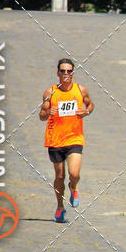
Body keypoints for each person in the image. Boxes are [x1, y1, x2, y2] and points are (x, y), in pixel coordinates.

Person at [39, 59, 94, 223]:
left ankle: (74, 186)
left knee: (74, 174)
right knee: (60, 176)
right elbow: (41, 115)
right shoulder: (50, 93)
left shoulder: (80, 90)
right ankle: (60, 207)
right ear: (57, 73)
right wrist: (49, 112)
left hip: (75, 138)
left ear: (73, 73)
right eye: (62, 71)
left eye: (69, 71)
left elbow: (90, 105)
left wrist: (86, 112)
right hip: (55, 141)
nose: (65, 74)